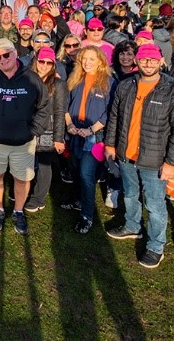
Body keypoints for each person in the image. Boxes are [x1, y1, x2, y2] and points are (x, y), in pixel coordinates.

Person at [104, 43, 174, 268]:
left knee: (154, 204)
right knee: (130, 195)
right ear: (137, 60)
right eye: (144, 59)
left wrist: (172, 162)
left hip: (155, 159)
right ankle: (132, 226)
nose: (148, 63)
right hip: (126, 154)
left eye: (153, 60)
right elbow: (114, 117)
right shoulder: (126, 85)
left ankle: (155, 246)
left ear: (161, 61)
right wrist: (111, 144)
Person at [0, 38, 49, 235]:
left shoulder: (32, 79)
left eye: (6, 54)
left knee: (21, 179)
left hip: (23, 142)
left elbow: (44, 107)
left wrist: (34, 131)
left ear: (15, 53)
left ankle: (18, 211)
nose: (3, 59)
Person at [63, 46, 117, 234]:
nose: (87, 62)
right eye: (84, 58)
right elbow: (65, 104)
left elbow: (110, 112)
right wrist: (69, 124)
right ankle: (78, 200)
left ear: (100, 61)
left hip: (94, 137)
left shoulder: (109, 82)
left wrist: (91, 129)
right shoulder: (75, 78)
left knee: (87, 174)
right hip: (74, 133)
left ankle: (87, 216)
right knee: (75, 170)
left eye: (92, 59)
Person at [24, 47, 68, 213]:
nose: (44, 65)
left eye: (49, 63)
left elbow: (60, 111)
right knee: (24, 162)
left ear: (53, 65)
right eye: (42, 61)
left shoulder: (58, 84)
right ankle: (23, 190)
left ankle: (39, 198)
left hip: (48, 130)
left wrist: (58, 138)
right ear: (36, 61)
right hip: (27, 127)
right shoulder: (26, 79)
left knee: (44, 165)